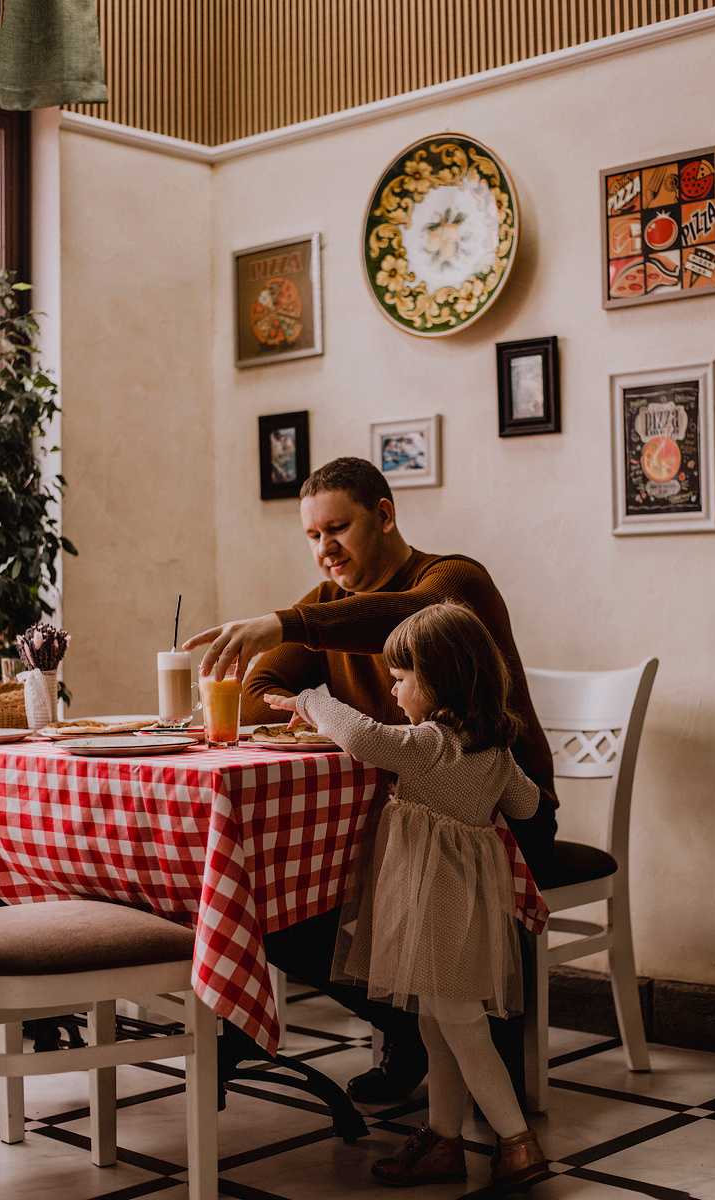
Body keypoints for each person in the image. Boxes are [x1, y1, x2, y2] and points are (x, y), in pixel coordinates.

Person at [184, 456, 557, 1104]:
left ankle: (494, 1074)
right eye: (312, 537)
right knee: (275, 894)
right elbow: (258, 689)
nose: (325, 549)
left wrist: (288, 625)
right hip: (394, 816)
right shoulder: (329, 604)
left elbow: (411, 615)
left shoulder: (451, 579)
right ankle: (410, 1028)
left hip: (500, 813)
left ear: (383, 515)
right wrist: (301, 694)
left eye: (339, 528)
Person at [263, 602, 549, 1189]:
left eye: (400, 679)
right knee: (437, 1020)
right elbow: (529, 805)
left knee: (460, 1022)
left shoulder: (430, 745)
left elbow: (365, 739)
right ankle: (444, 1141)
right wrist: (482, 796)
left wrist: (312, 699)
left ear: (439, 680)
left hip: (434, 901)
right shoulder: (491, 751)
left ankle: (517, 1143)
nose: (394, 693)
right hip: (462, 902)